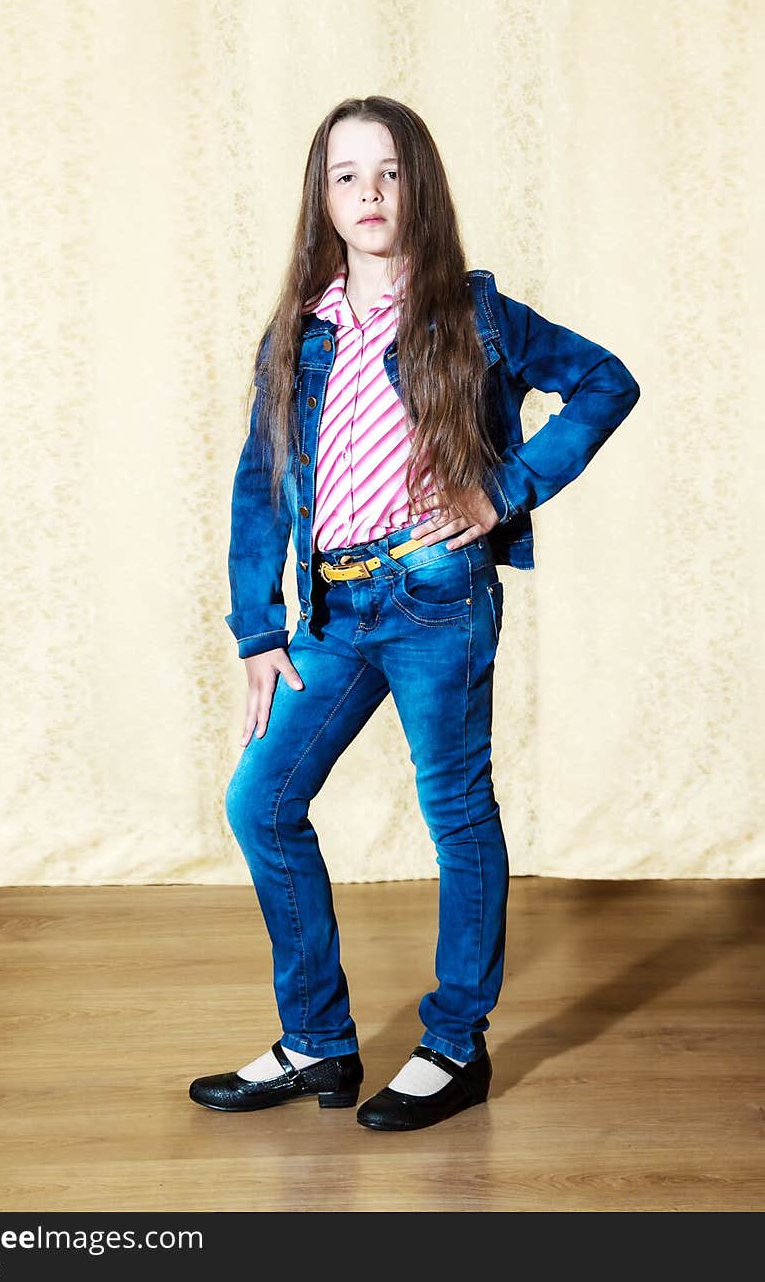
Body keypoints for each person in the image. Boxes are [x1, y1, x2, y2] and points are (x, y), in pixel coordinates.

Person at [188, 96, 641, 1131]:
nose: (369, 193)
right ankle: (316, 1040)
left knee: (455, 812)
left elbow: (604, 383)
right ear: (324, 198)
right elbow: (261, 482)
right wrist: (257, 629)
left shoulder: (472, 313)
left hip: (438, 599)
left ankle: (453, 1042)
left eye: (388, 171)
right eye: (346, 176)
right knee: (260, 803)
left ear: (418, 184)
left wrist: (506, 487)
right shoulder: (297, 332)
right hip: (336, 611)